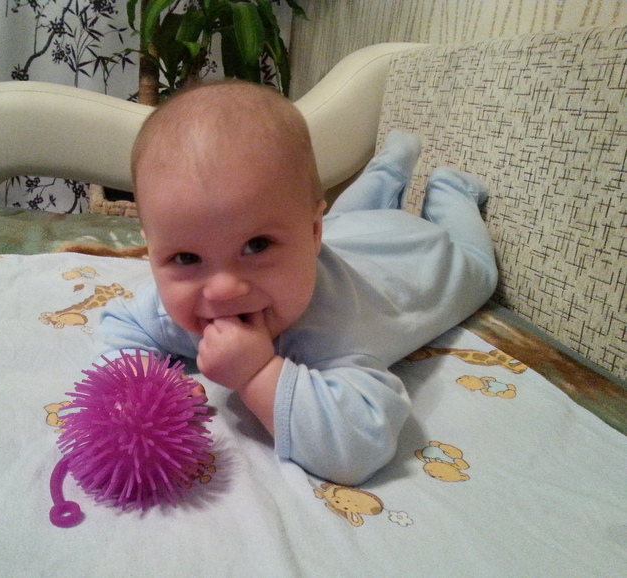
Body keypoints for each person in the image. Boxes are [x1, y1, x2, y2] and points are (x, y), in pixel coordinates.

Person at [97, 80, 497, 486]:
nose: (222, 291)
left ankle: (449, 189)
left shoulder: (336, 329)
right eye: (186, 258)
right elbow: (125, 322)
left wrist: (256, 373)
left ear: (312, 232)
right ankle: (389, 167)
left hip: (409, 253)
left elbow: (358, 445)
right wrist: (147, 386)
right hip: (344, 230)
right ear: (152, 251)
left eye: (256, 245)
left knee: (481, 272)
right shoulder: (186, 307)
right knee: (343, 219)